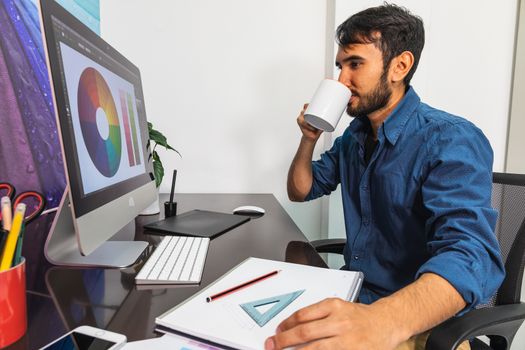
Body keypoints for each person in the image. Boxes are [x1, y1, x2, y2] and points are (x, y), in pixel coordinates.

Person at [267, 3, 505, 350]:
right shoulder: (355, 136)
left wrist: (380, 321)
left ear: (400, 66)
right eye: (340, 66)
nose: (341, 81)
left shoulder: (450, 138)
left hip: (413, 320)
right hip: (354, 297)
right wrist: (308, 140)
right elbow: (302, 190)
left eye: (355, 64)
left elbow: (469, 255)